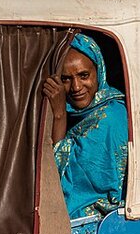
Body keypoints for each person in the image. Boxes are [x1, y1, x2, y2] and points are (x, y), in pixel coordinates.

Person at [42, 33, 129, 219]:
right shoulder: (82, 115)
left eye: (84, 75)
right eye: (65, 79)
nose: (76, 87)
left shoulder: (110, 118)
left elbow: (60, 183)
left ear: (99, 72)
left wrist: (59, 115)